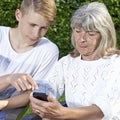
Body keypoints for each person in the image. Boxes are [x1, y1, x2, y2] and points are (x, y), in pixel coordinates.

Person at [29, 1, 120, 120]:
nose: (82, 39)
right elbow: (48, 86)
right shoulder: (67, 62)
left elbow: (100, 111)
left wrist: (62, 113)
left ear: (104, 35)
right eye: (77, 31)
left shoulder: (115, 64)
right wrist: (38, 101)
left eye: (90, 34)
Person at [0, 0, 59, 119]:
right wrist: (8, 79)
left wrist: (2, 104)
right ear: (18, 15)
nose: (36, 34)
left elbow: (33, 94)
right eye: (32, 25)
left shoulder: (49, 51)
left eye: (43, 28)